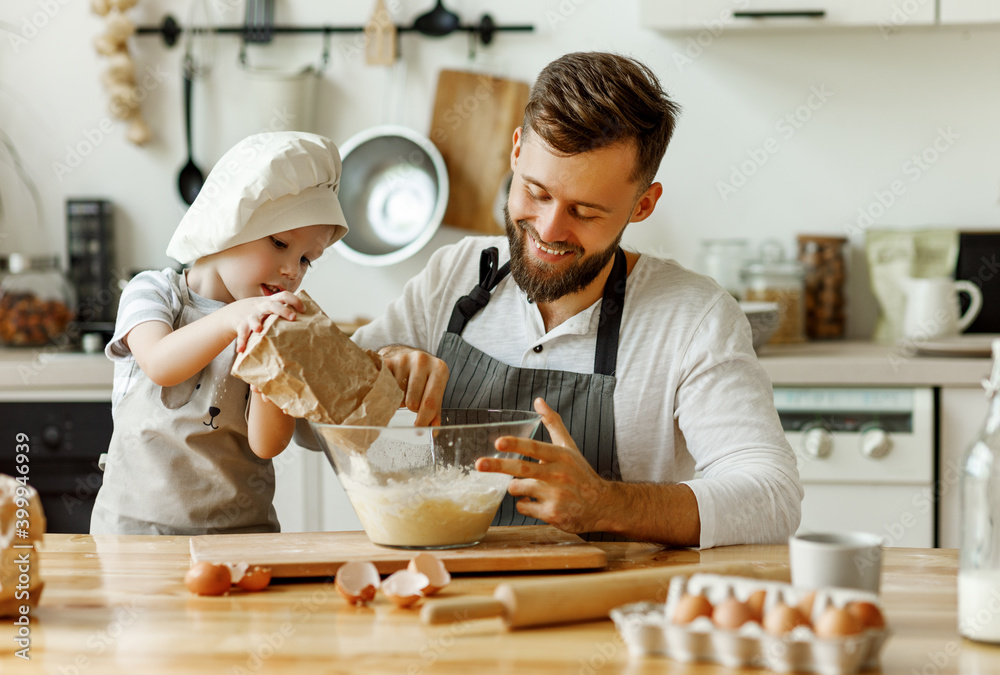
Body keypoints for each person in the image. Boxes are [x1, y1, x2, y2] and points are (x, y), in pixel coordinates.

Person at [353, 52, 803, 548]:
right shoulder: (455, 274)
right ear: (517, 149)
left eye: (585, 212)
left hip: (607, 610)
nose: (548, 231)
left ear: (643, 205)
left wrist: (606, 503)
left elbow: (772, 497)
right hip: (439, 592)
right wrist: (375, 373)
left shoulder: (693, 318)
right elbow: (312, 432)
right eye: (536, 192)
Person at [90, 132, 350, 535]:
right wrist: (234, 318)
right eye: (280, 243)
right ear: (229, 225)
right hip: (135, 534)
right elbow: (160, 363)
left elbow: (267, 445)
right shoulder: (153, 292)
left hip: (241, 537)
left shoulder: (277, 324)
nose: (292, 271)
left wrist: (273, 363)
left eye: (305, 260)